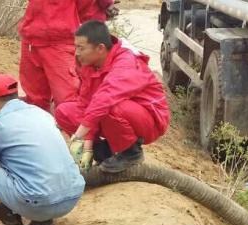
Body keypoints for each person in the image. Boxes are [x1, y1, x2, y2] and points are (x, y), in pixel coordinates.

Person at [0, 74, 85, 225]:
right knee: (29, 163)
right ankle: (42, 222)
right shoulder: (40, 113)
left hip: (42, 204)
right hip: (72, 197)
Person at [55, 20, 170, 172]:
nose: (76, 53)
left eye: (81, 48)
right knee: (65, 111)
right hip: (113, 113)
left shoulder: (126, 62)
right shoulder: (89, 65)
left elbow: (106, 97)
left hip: (148, 120)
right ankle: (102, 153)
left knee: (111, 106)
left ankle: (131, 153)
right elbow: (86, 103)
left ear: (100, 48)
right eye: (76, 47)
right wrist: (88, 145)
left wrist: (77, 136)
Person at [18, 0, 118, 112]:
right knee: (35, 100)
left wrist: (102, 10)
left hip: (59, 40)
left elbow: (88, 10)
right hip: (31, 36)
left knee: (67, 100)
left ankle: (73, 127)